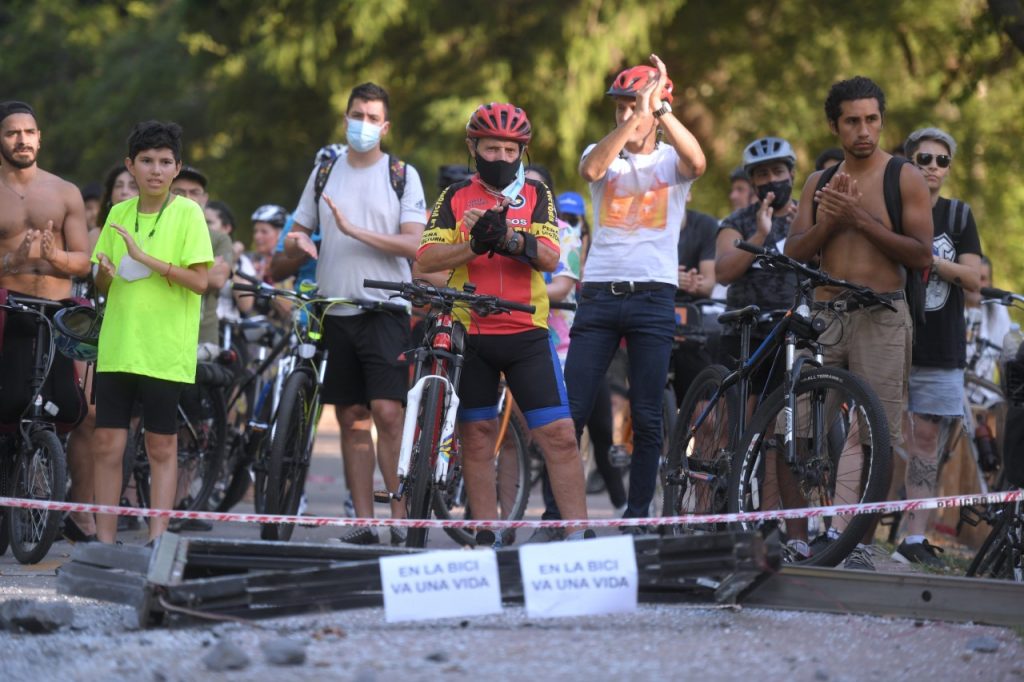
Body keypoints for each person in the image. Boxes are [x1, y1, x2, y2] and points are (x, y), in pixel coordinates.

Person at [417, 101, 591, 544]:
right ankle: (487, 535)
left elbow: (551, 256)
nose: (500, 158)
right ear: (474, 147)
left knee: (560, 436)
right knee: (477, 437)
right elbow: (425, 260)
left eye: (510, 151)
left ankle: (577, 536)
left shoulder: (537, 196)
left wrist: (510, 238)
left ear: (522, 153)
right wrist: (474, 245)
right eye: (491, 149)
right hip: (470, 332)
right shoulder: (454, 197)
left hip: (526, 332)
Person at [784, 77, 933, 570]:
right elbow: (794, 252)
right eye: (852, 121)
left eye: (871, 119)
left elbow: (919, 254)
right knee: (797, 428)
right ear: (835, 125)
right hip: (825, 317)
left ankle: (859, 544)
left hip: (882, 316)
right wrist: (832, 220)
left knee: (877, 436)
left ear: (881, 121)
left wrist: (860, 218)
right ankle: (799, 538)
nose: (864, 130)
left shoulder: (904, 176)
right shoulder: (817, 183)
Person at [281, 82, 427, 545]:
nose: (361, 124)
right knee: (351, 417)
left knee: (388, 411)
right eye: (355, 114)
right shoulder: (325, 171)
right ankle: (363, 522)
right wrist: (299, 243)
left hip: (386, 307)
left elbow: (413, 244)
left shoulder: (402, 173)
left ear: (385, 126)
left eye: (371, 117)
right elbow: (297, 230)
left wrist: (353, 230)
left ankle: (400, 519)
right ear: (345, 118)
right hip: (335, 308)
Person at [565, 54, 706, 526]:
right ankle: (559, 516)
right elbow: (591, 171)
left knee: (647, 417)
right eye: (619, 106)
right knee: (572, 411)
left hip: (652, 297)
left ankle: (638, 516)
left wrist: (659, 109)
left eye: (633, 105)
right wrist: (631, 123)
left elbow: (699, 162)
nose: (625, 113)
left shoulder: (671, 160)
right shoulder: (600, 152)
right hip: (601, 295)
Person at [90, 120, 214, 544]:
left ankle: (157, 538)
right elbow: (101, 284)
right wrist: (104, 275)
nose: (155, 170)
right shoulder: (117, 213)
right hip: (118, 345)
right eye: (146, 161)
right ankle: (103, 543)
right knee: (107, 445)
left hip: (164, 350)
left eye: (164, 162)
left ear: (177, 168)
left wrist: (148, 259)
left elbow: (201, 281)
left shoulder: (189, 214)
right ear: (131, 165)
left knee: (162, 447)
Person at [0, 100, 92, 540]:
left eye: (29, 131)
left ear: (40, 138)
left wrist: (55, 256)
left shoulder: (64, 191)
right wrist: (10, 260)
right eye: (12, 132)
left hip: (55, 311)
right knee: (8, 403)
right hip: (9, 307)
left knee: (67, 407)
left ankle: (51, 490)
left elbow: (85, 262)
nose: (22, 139)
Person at [892, 127, 982, 567]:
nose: (932, 167)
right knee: (861, 436)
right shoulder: (891, 210)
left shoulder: (959, 216)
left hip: (940, 347)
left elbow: (973, 279)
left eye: (942, 160)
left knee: (927, 445)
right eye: (924, 159)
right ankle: (836, 528)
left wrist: (929, 259)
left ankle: (912, 540)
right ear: (909, 162)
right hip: (888, 340)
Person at [527, 165, 625, 541]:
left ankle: (619, 505)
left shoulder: (566, 234)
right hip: (513, 339)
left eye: (537, 190)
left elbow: (565, 283)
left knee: (593, 431)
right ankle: (491, 522)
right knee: (503, 436)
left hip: (566, 349)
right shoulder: (501, 228)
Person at [715, 137, 800, 403]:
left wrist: (805, 232)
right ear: (753, 183)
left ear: (792, 174)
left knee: (785, 420)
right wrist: (760, 235)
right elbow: (723, 272)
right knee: (738, 415)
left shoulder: (807, 216)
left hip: (792, 332)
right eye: (763, 175)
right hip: (744, 332)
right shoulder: (737, 220)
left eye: (778, 172)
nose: (771, 180)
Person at [170, 165, 234, 362]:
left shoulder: (219, 239)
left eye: (194, 192)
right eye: (179, 192)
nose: (188, 198)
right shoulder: (158, 231)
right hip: (162, 333)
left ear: (204, 199)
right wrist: (199, 273)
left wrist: (169, 270)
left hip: (202, 338)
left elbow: (217, 279)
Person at [673, 193, 719, 405]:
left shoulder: (705, 225)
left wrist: (691, 283)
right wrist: (669, 278)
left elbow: (708, 283)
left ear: (689, 193)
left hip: (692, 318)